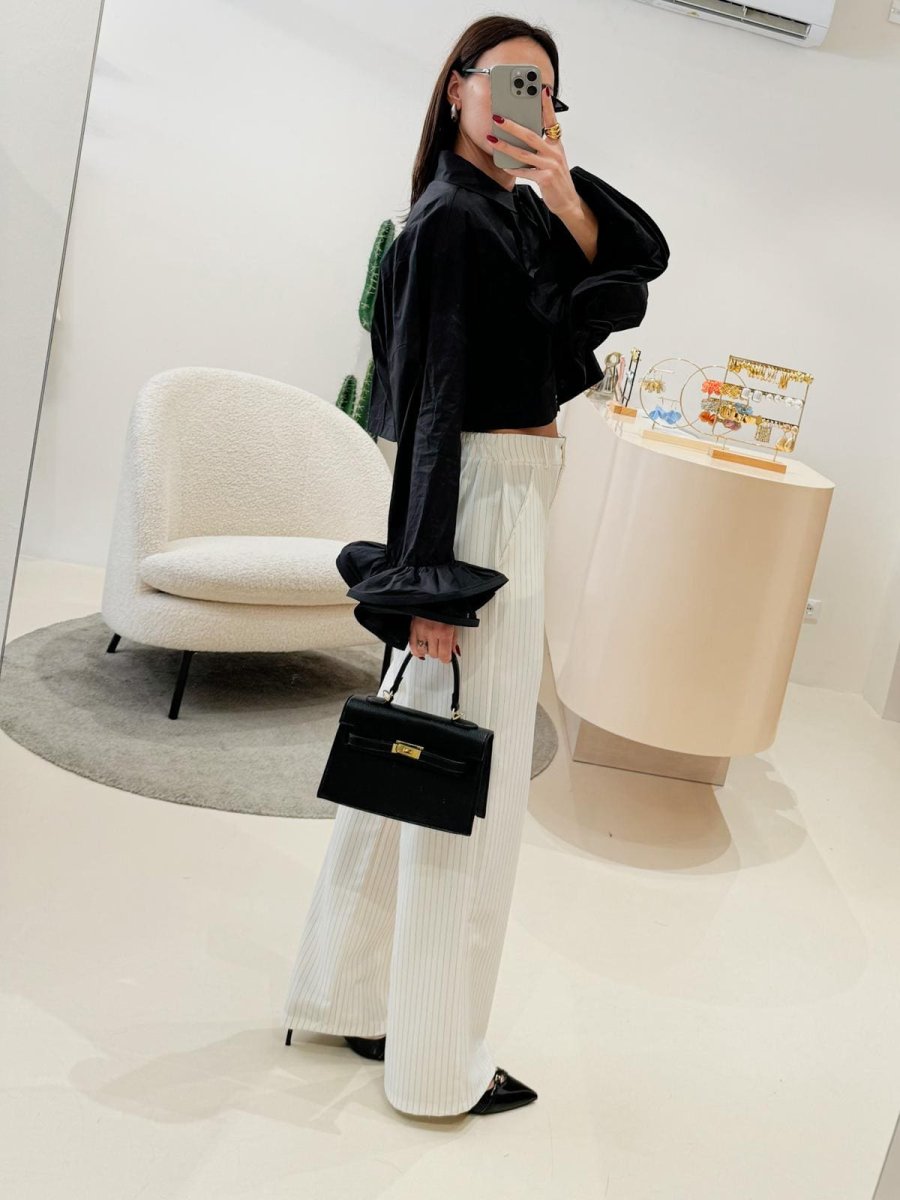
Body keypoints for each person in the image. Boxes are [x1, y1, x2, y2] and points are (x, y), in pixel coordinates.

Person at [282, 15, 670, 1118]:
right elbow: (432, 411)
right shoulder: (456, 220)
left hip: (500, 501)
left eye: (545, 89)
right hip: (480, 513)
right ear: (457, 88)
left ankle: (347, 991)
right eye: (508, 81)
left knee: (410, 770)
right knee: (472, 793)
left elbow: (620, 283)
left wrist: (564, 189)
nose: (524, 103)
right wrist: (428, 584)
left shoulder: (508, 210)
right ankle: (435, 1063)